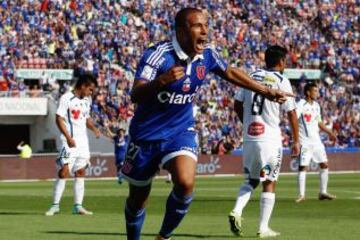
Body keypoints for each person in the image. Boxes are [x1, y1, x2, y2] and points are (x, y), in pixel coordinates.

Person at [120, 8, 292, 240]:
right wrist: (162, 80)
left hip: (180, 132)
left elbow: (230, 72)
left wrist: (266, 90)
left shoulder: (207, 55)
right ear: (181, 31)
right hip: (146, 136)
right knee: (137, 199)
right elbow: (136, 94)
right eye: (198, 26)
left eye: (206, 25)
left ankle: (163, 236)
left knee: (185, 183)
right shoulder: (158, 55)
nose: (205, 31)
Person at [228, 45, 300, 238]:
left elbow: (237, 104)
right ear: (281, 62)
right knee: (269, 182)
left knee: (251, 180)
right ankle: (263, 228)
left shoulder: (251, 76)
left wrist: (246, 124)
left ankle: (237, 210)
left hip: (250, 137)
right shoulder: (281, 81)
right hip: (270, 138)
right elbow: (292, 113)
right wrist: (296, 141)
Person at [45, 72, 100, 216]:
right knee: (64, 171)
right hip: (68, 141)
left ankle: (78, 206)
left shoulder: (86, 101)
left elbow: (86, 119)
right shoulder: (66, 98)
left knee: (80, 171)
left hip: (83, 142)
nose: (91, 92)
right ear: (82, 86)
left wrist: (94, 129)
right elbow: (58, 118)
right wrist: (68, 137)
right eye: (90, 89)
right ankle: (55, 205)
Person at [295, 82, 337, 203]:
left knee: (324, 164)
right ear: (308, 92)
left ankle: (322, 192)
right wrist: (296, 138)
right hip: (305, 141)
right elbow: (294, 118)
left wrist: (329, 132)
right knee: (303, 166)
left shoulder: (317, 106)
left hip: (316, 141)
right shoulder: (301, 105)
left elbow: (319, 122)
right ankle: (301, 195)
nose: (317, 93)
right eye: (315, 91)